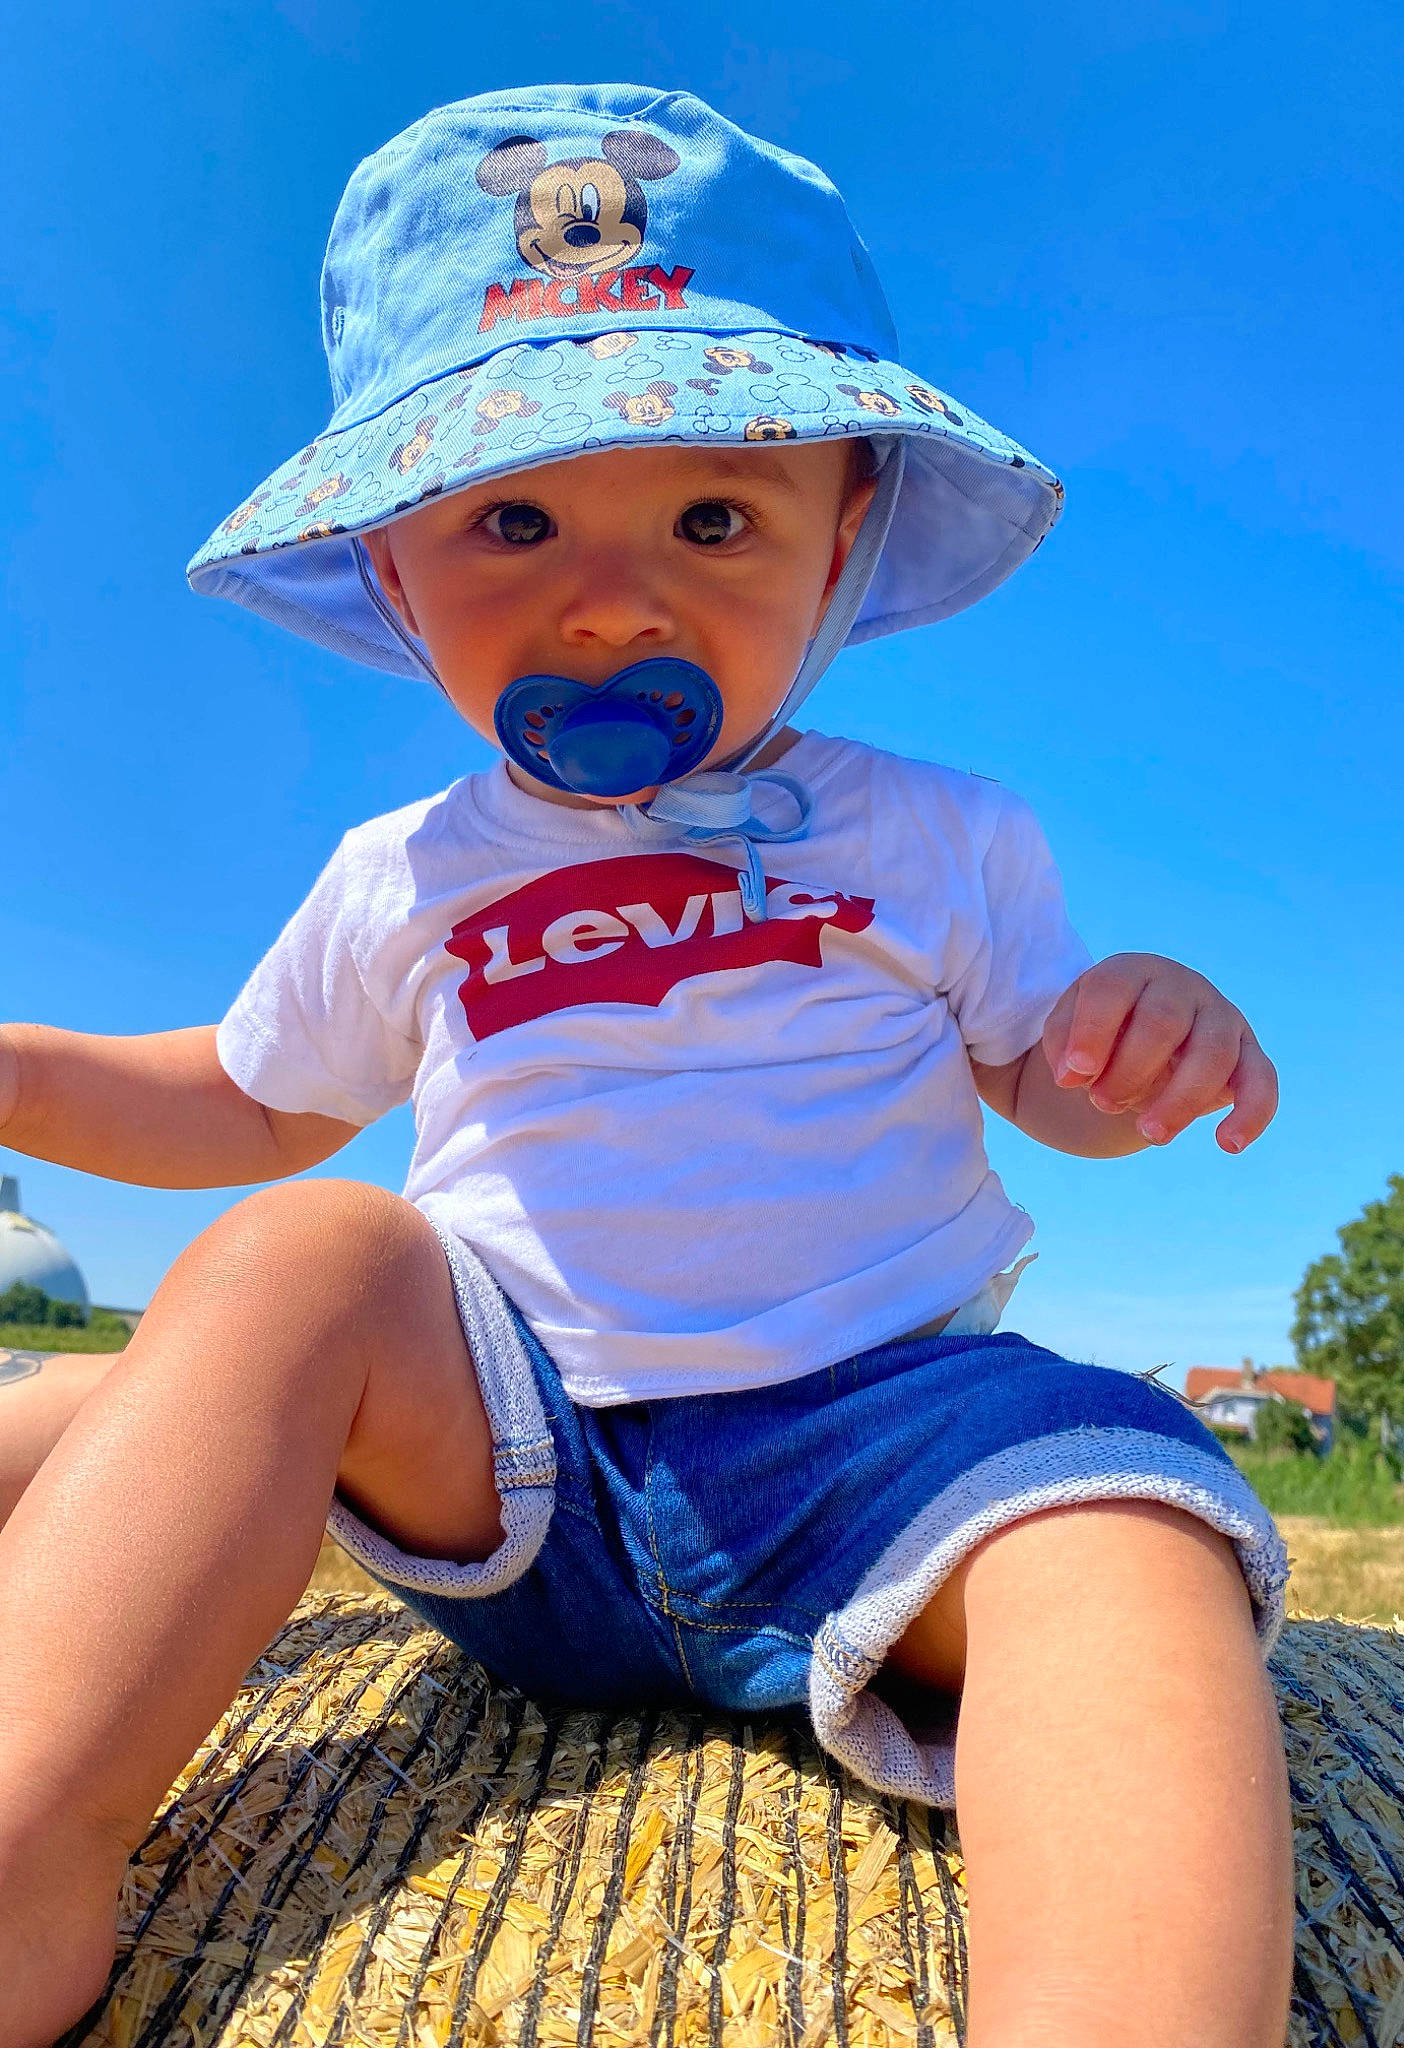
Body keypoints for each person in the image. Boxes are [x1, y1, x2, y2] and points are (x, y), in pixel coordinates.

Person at [0, 86, 1294, 2047]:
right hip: (516, 1458)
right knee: (305, 1252)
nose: (612, 595)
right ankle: (28, 1838)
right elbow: (242, 1104)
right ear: (395, 568)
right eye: (512, 520)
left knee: (1119, 1523)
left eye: (712, 516)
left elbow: (1049, 1075)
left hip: (878, 1444)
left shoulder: (939, 835)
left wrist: (1139, 1030)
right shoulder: (410, 872)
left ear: (842, 538)